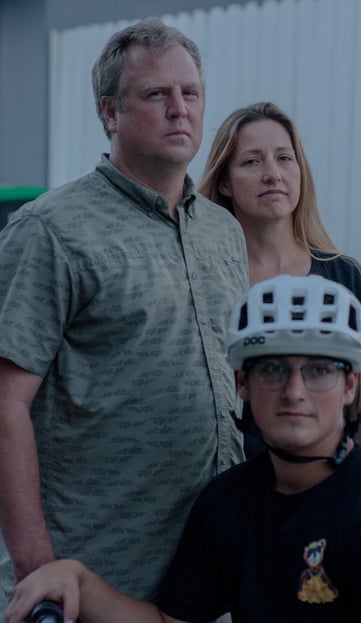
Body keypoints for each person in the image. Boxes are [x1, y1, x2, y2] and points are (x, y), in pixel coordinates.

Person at [6, 274, 361, 623]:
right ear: (242, 384)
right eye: (272, 369)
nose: (295, 391)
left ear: (351, 386)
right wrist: (78, 581)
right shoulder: (228, 502)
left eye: (318, 370)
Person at [0, 18, 248, 604]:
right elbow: (5, 406)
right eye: (156, 95)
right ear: (110, 112)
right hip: (95, 569)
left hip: (210, 572)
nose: (179, 110)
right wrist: (39, 569)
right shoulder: (51, 230)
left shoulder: (224, 231)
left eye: (190, 94)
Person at [199, 101, 361, 457]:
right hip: (228, 496)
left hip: (325, 496)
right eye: (252, 161)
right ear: (224, 182)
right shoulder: (203, 281)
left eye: (284, 158)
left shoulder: (349, 281)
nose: (272, 173)